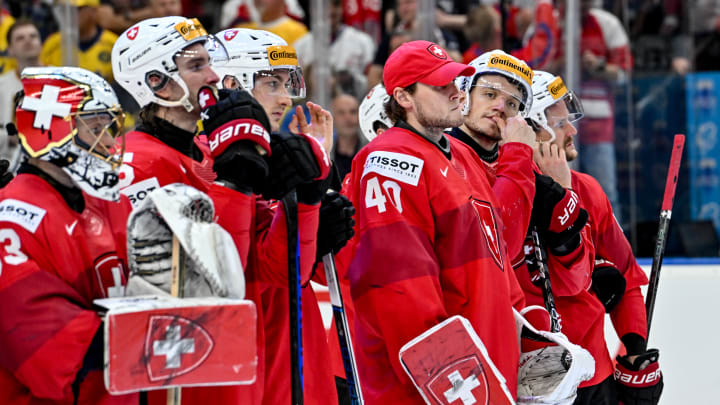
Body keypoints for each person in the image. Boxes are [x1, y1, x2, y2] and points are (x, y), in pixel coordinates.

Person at [112, 17, 334, 404]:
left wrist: (306, 206)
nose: (214, 74)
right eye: (197, 65)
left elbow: (278, 272)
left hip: (245, 367)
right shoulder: (135, 165)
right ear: (156, 81)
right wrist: (233, 186)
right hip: (192, 374)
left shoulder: (215, 153)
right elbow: (207, 285)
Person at [343, 40, 521, 403]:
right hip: (438, 387)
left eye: (456, 83)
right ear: (404, 98)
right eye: (441, 86)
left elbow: (497, 261)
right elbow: (401, 290)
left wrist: (527, 334)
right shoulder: (390, 161)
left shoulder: (461, 154)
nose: (456, 94)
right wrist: (450, 381)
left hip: (486, 373)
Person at [212, 27, 350, 405]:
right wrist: (305, 205)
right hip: (256, 357)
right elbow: (269, 271)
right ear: (231, 82)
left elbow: (314, 272)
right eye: (272, 83)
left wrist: (324, 183)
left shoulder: (276, 155)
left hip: (297, 350)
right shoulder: (210, 163)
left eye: (287, 84)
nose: (286, 98)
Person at [525, 71, 662, 405]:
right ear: (528, 129)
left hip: (592, 377)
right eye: (559, 123)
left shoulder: (589, 189)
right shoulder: (500, 194)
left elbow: (626, 278)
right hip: (528, 377)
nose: (572, 131)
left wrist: (634, 349)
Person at [0, 66, 134, 404]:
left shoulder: (107, 200)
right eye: (95, 127)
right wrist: (155, 331)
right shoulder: (11, 218)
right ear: (49, 130)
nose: (108, 141)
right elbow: (45, 341)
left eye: (108, 127)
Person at [449, 49, 537, 265]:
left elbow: (571, 279)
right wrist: (517, 153)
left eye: (512, 104)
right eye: (490, 94)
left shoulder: (524, 163)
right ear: (463, 97)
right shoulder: (440, 155)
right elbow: (495, 246)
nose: (500, 108)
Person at [41, 0, 118, 83]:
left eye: (77, 9)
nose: (70, 14)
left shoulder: (113, 44)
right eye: (67, 10)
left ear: (94, 11)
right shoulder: (52, 44)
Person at [0, 19, 42, 161]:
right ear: (10, 49)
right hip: (10, 164)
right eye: (20, 38)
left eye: (33, 36)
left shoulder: (61, 81)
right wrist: (8, 137)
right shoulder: (1, 85)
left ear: (41, 43)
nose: (28, 41)